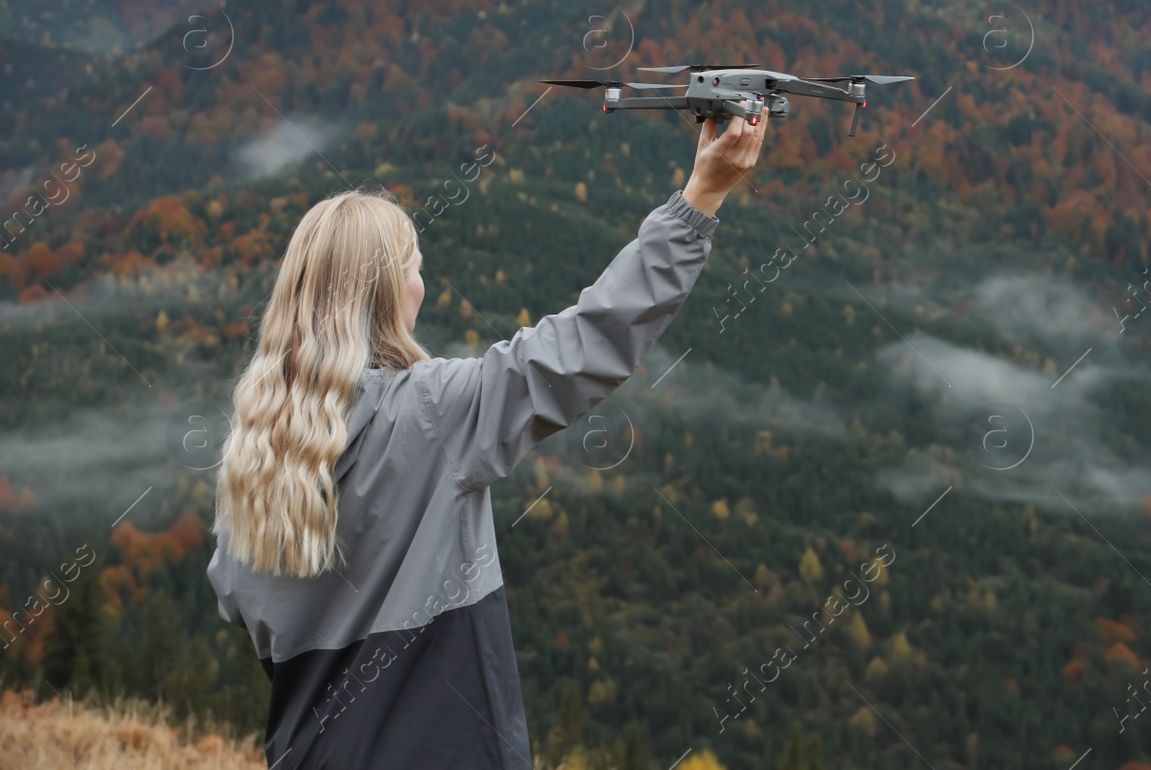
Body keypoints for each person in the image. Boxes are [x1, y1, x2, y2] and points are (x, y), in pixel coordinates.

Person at [208, 109, 768, 769]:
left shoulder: (251, 464)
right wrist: (701, 195)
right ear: (388, 293)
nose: (423, 282)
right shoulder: (431, 413)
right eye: (414, 267)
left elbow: (237, 602)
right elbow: (586, 342)